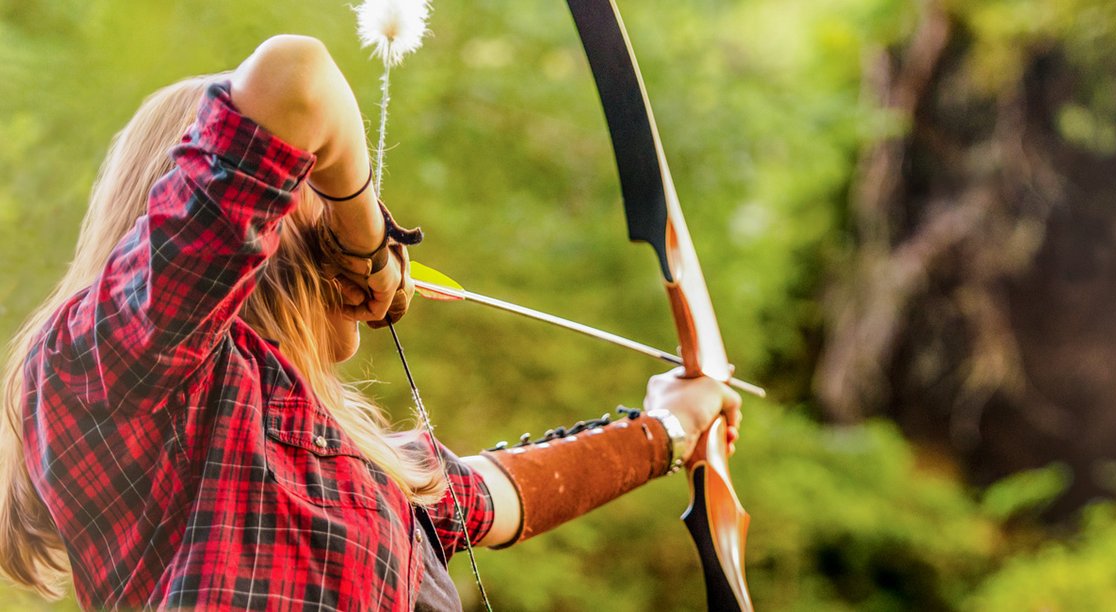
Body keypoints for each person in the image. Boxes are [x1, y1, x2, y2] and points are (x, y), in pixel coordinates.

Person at [0, 35, 742, 610]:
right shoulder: (115, 367)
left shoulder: (362, 471)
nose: (351, 192)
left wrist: (671, 429)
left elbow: (500, 494)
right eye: (320, 177)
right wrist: (365, 237)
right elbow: (297, 80)